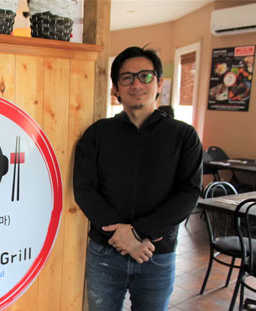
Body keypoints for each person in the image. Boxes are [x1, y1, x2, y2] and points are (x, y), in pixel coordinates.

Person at [73, 46, 202, 310]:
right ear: (116, 88)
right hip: (105, 252)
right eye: (127, 77)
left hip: (156, 253)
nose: (136, 84)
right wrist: (123, 238)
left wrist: (137, 233)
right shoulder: (97, 134)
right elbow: (84, 189)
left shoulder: (183, 136)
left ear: (159, 83)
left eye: (145, 76)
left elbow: (189, 193)